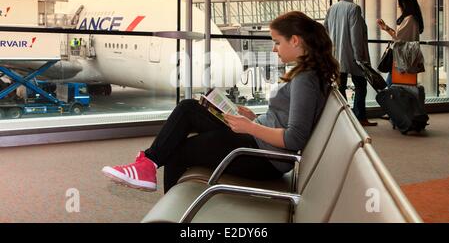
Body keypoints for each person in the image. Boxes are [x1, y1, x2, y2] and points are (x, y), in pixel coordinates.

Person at [102, 11, 340, 193]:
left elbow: (295, 138)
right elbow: (286, 119)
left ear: (295, 41)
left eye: (277, 42)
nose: (275, 49)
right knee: (189, 108)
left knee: (177, 152)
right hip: (259, 141)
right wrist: (252, 118)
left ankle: (157, 185)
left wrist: (251, 127)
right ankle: (148, 164)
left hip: (265, 158)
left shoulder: (305, 80)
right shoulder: (307, 74)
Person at [324, 0, 377, 127]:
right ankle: (359, 117)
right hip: (352, 56)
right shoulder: (354, 9)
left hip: (335, 55)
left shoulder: (331, 8)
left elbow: (325, 31)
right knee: (361, 85)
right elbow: (355, 35)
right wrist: (359, 57)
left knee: (340, 88)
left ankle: (343, 120)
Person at [376, 0, 424, 86]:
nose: (399, 7)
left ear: (405, 5)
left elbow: (398, 38)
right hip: (407, 59)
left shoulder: (410, 19)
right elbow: (400, 36)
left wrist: (386, 28)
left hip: (402, 60)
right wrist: (386, 28)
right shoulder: (413, 19)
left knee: (390, 88)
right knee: (396, 86)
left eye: (400, 4)